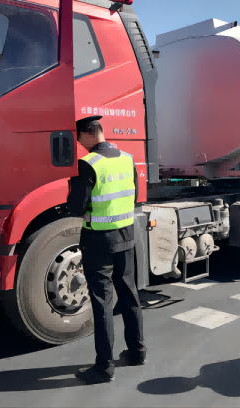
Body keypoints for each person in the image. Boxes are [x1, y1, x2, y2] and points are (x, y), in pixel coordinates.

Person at [66, 115, 147, 384]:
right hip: (126, 235)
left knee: (102, 301)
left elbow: (76, 207)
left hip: (98, 240)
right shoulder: (127, 158)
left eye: (79, 138)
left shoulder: (87, 164)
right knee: (129, 294)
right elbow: (133, 197)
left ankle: (104, 368)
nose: (79, 143)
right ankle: (137, 352)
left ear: (86, 135)